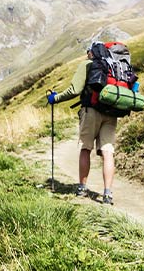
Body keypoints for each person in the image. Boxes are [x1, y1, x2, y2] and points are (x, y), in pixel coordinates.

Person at [47, 43, 119, 205]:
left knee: (86, 148)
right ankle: (107, 193)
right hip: (111, 113)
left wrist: (55, 98)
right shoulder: (113, 66)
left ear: (91, 53)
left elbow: (74, 90)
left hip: (91, 111)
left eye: (88, 52)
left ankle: (82, 187)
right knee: (108, 152)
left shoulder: (87, 64)